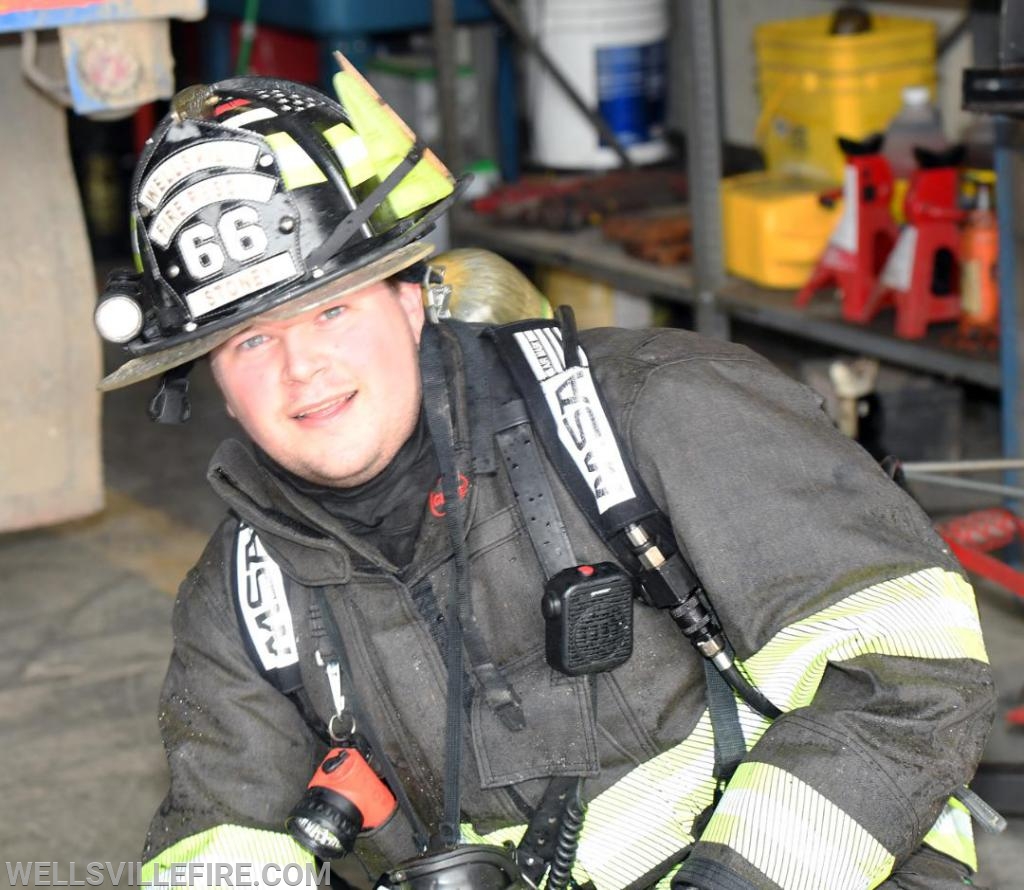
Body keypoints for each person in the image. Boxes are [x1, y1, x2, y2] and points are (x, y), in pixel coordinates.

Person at [94, 63, 996, 890]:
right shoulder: (243, 593)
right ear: (212, 375)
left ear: (411, 299)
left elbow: (911, 680)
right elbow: (219, 853)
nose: (301, 370)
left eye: (331, 310)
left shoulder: (655, 409)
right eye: (252, 340)